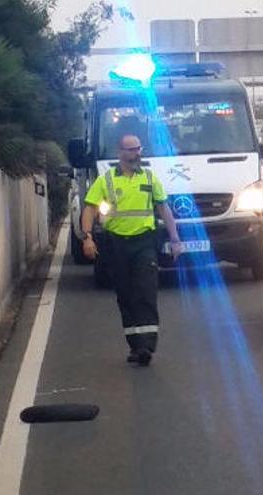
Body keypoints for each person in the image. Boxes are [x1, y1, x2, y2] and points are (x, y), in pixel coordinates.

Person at [81, 135, 183, 366]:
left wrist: (175, 238)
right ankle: (135, 346)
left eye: (138, 149)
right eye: (131, 150)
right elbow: (89, 209)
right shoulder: (106, 180)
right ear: (120, 152)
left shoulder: (148, 177)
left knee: (146, 291)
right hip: (116, 244)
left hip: (144, 243)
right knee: (125, 295)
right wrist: (87, 238)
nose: (136, 153)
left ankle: (147, 345)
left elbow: (163, 208)